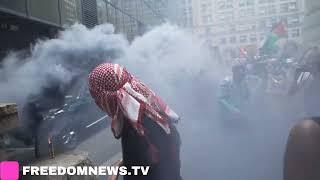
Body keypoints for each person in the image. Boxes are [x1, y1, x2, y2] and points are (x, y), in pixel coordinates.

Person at [88, 63, 182, 180]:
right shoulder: (154, 113)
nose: (98, 104)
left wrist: (115, 171)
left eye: (97, 99)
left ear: (107, 99)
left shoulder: (135, 134)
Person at [284, 47, 320, 180]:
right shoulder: (305, 75)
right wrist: (295, 78)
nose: (310, 63)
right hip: (311, 118)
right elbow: (290, 94)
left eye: (314, 60)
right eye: (308, 60)